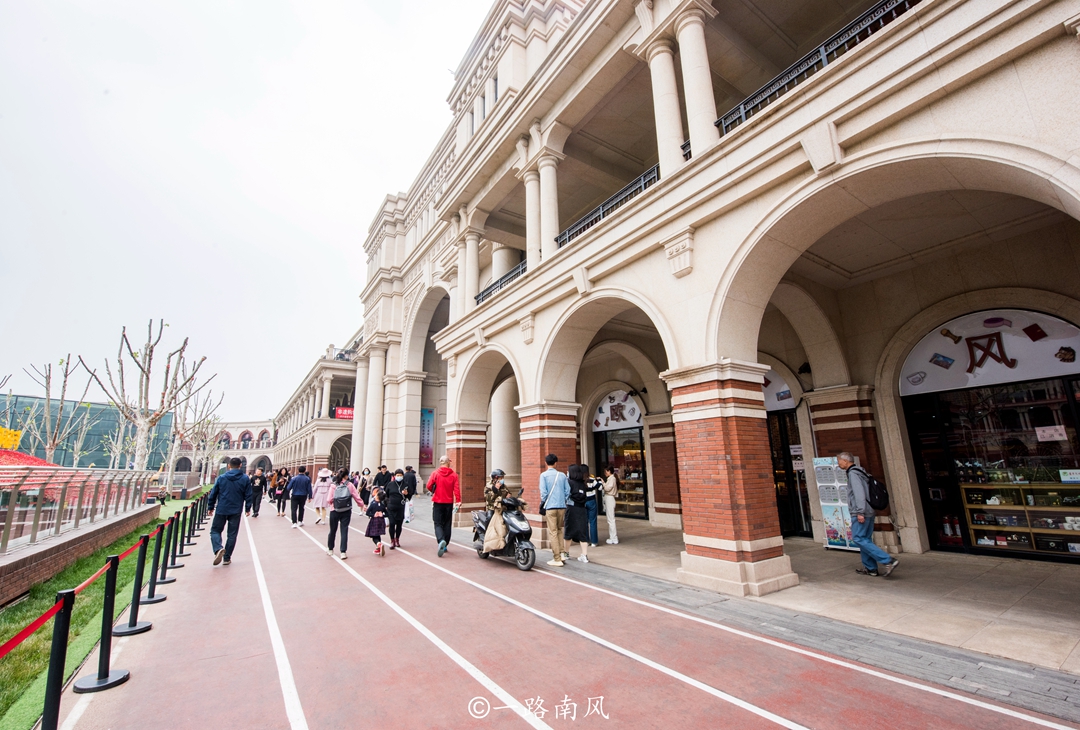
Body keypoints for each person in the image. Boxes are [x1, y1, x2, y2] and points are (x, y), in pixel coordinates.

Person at [838, 452, 899, 577]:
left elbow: (859, 494)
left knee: (858, 538)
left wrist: (860, 512)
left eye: (839, 461)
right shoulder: (861, 472)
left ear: (845, 461)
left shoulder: (853, 474)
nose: (838, 463)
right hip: (869, 510)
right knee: (865, 539)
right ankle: (871, 568)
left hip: (862, 511)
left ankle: (887, 560)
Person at [207, 457, 253, 566]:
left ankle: (218, 548)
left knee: (215, 531)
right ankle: (226, 558)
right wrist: (248, 508)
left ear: (229, 466)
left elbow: (213, 493)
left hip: (222, 508)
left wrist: (210, 506)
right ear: (240, 465)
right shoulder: (245, 478)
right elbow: (248, 494)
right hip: (236, 510)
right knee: (232, 534)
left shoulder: (221, 478)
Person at [426, 455, 461, 557]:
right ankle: (445, 544)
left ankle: (441, 540)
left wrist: (434, 491)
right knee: (447, 523)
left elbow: (429, 485)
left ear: (441, 463)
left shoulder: (435, 473)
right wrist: (458, 501)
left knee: (438, 523)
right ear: (448, 463)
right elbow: (456, 489)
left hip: (437, 501)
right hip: (449, 502)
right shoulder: (454, 475)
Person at [538, 454, 570, 567]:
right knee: (560, 530)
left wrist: (544, 502)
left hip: (550, 507)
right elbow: (568, 491)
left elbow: (543, 493)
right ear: (556, 463)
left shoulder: (543, 476)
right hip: (562, 507)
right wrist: (563, 500)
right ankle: (562, 554)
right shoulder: (561, 475)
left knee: (553, 532)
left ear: (546, 463)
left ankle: (556, 558)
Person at [327, 468, 364, 559]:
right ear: (347, 476)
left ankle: (330, 549)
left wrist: (333, 503)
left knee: (332, 530)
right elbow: (356, 497)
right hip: (346, 510)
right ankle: (343, 552)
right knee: (344, 530)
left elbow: (329, 500)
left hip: (334, 510)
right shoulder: (350, 485)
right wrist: (361, 505)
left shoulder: (333, 485)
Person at [565, 464, 591, 563]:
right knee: (583, 532)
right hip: (582, 509)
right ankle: (584, 555)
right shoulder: (583, 483)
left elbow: (566, 494)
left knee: (568, 531)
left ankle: (566, 553)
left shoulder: (569, 483)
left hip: (571, 509)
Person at [482, 469, 512, 553]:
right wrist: (495, 490)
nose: (502, 479)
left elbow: (508, 493)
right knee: (489, 518)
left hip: (502, 508)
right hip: (492, 508)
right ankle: (488, 536)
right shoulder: (489, 486)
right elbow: (488, 498)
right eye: (501, 477)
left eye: (503, 477)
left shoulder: (504, 486)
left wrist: (509, 497)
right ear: (495, 478)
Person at [384, 468, 412, 549]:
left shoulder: (405, 485)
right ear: (395, 476)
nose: (399, 477)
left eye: (400, 475)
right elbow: (386, 495)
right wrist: (386, 504)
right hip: (391, 507)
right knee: (392, 524)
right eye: (397, 475)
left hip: (401, 507)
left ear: (403, 476)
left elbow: (409, 496)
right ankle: (392, 540)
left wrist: (407, 494)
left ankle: (397, 539)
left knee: (399, 525)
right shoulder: (390, 484)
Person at [365, 487, 388, 555]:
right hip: (381, 521)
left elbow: (367, 513)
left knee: (373, 536)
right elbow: (387, 513)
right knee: (378, 534)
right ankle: (378, 548)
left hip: (374, 521)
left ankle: (378, 544)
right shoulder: (382, 505)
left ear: (377, 496)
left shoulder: (373, 504)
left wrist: (373, 515)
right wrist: (382, 515)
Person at [602, 466, 619, 544]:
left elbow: (608, 488)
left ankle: (614, 537)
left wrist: (603, 483)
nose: (605, 473)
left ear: (609, 471)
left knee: (611, 519)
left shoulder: (612, 479)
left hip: (610, 498)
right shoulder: (611, 478)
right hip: (609, 498)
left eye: (606, 471)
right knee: (610, 519)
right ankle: (612, 537)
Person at [584, 467, 599, 547]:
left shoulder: (580, 480)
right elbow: (599, 487)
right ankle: (594, 541)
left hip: (583, 502)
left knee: (585, 522)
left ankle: (586, 541)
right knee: (593, 522)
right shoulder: (592, 479)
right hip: (592, 501)